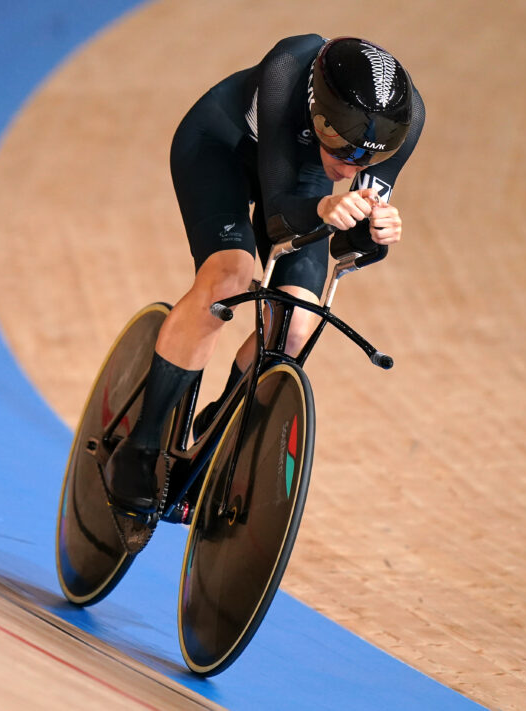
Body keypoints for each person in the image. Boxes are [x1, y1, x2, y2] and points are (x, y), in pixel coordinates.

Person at [104, 34, 425, 514]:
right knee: (230, 276)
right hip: (222, 149)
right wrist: (324, 206)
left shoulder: (404, 120)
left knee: (297, 324)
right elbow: (276, 218)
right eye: (343, 146)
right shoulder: (287, 68)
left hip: (305, 179)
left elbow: (347, 248)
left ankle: (219, 424)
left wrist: (375, 235)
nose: (352, 166)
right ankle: (141, 445)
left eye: (368, 158)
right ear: (318, 114)